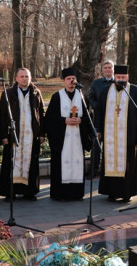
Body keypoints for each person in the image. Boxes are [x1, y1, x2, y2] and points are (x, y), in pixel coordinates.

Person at [96, 64, 137, 203]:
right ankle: (111, 192)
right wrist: (98, 129)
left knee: (128, 163)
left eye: (123, 77)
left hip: (129, 135)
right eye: (118, 77)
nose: (121, 80)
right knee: (110, 161)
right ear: (114, 78)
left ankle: (127, 193)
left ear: (128, 77)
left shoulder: (136, 91)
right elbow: (99, 111)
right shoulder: (106, 91)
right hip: (110, 136)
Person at [0, 68, 46, 201]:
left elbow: (41, 113)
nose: (25, 79)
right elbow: (2, 116)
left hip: (31, 135)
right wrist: (4, 136)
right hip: (14, 134)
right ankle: (10, 192)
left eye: (27, 76)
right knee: (11, 163)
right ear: (16, 78)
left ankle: (29, 192)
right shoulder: (8, 93)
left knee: (31, 163)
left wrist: (42, 133)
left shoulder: (36, 93)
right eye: (22, 76)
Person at [45, 67, 92, 201]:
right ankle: (60, 194)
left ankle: (76, 194)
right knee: (62, 164)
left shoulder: (82, 97)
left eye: (73, 79)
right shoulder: (57, 97)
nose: (71, 81)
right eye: (68, 79)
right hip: (62, 139)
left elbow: (89, 117)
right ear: (64, 81)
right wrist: (64, 120)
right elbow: (49, 119)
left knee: (77, 163)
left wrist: (81, 120)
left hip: (77, 137)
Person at [85, 59, 114, 177]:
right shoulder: (96, 83)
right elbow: (90, 96)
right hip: (98, 118)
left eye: (109, 67)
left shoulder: (117, 82)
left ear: (113, 69)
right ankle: (93, 170)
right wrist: (96, 106)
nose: (107, 70)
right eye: (105, 68)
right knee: (96, 144)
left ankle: (108, 170)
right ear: (102, 70)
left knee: (110, 145)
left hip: (113, 119)